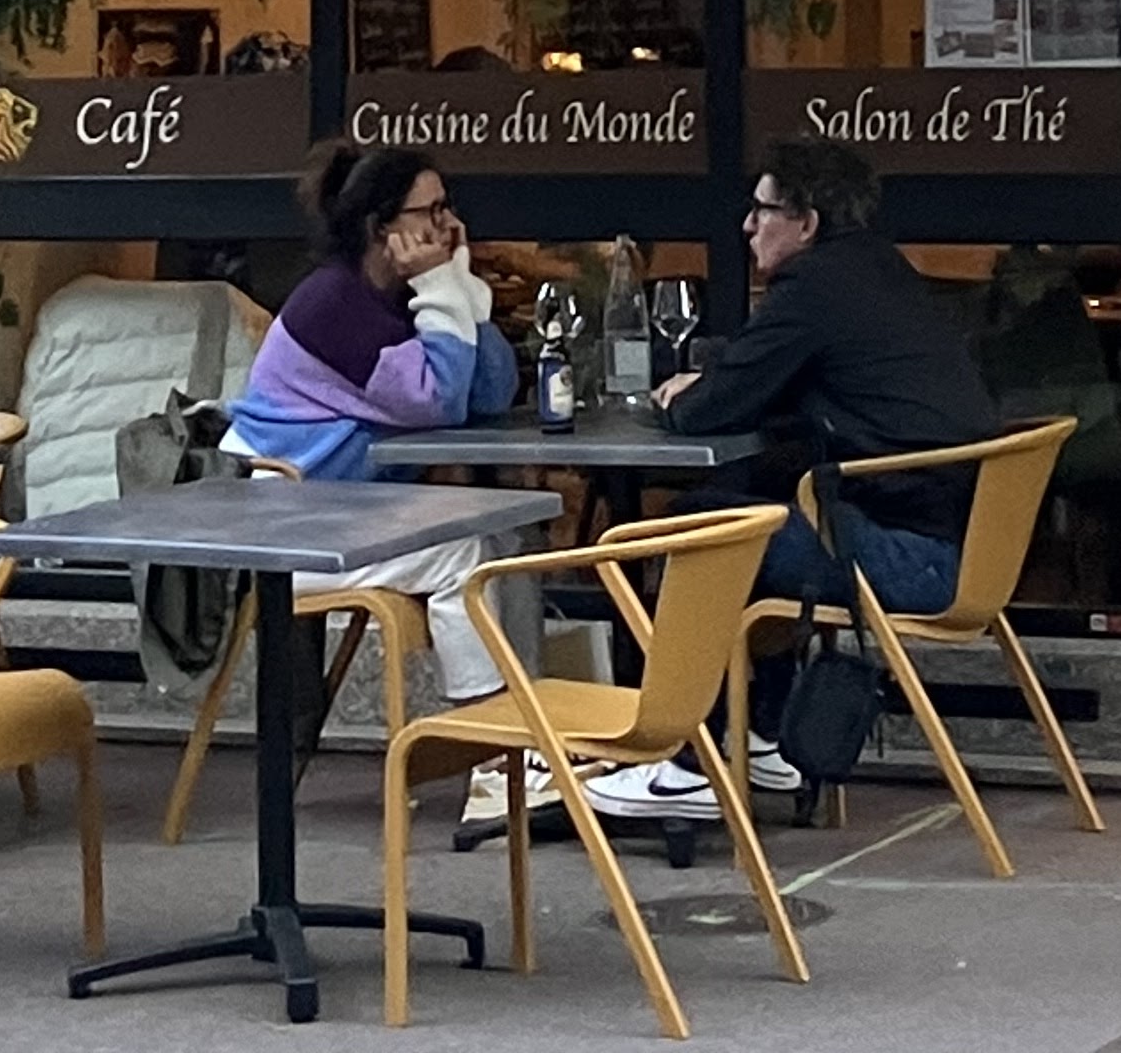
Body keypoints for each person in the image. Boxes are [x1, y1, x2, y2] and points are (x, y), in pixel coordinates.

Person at [591, 137, 999, 826]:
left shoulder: (813, 288)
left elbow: (708, 411)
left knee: (700, 533)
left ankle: (685, 763)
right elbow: (803, 379)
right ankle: (763, 735)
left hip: (911, 559)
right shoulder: (879, 270)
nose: (747, 225)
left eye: (763, 210)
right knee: (736, 507)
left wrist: (687, 392)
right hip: (957, 545)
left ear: (806, 223)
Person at [226, 139, 542, 823]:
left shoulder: (398, 298)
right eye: (431, 212)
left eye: (447, 207)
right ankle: (494, 760)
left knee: (508, 538)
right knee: (465, 552)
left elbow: (490, 392)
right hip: (280, 527)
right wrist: (443, 287)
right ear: (381, 227)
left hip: (337, 510)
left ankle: (532, 734)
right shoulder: (332, 307)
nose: (449, 225)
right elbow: (440, 400)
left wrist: (456, 286)